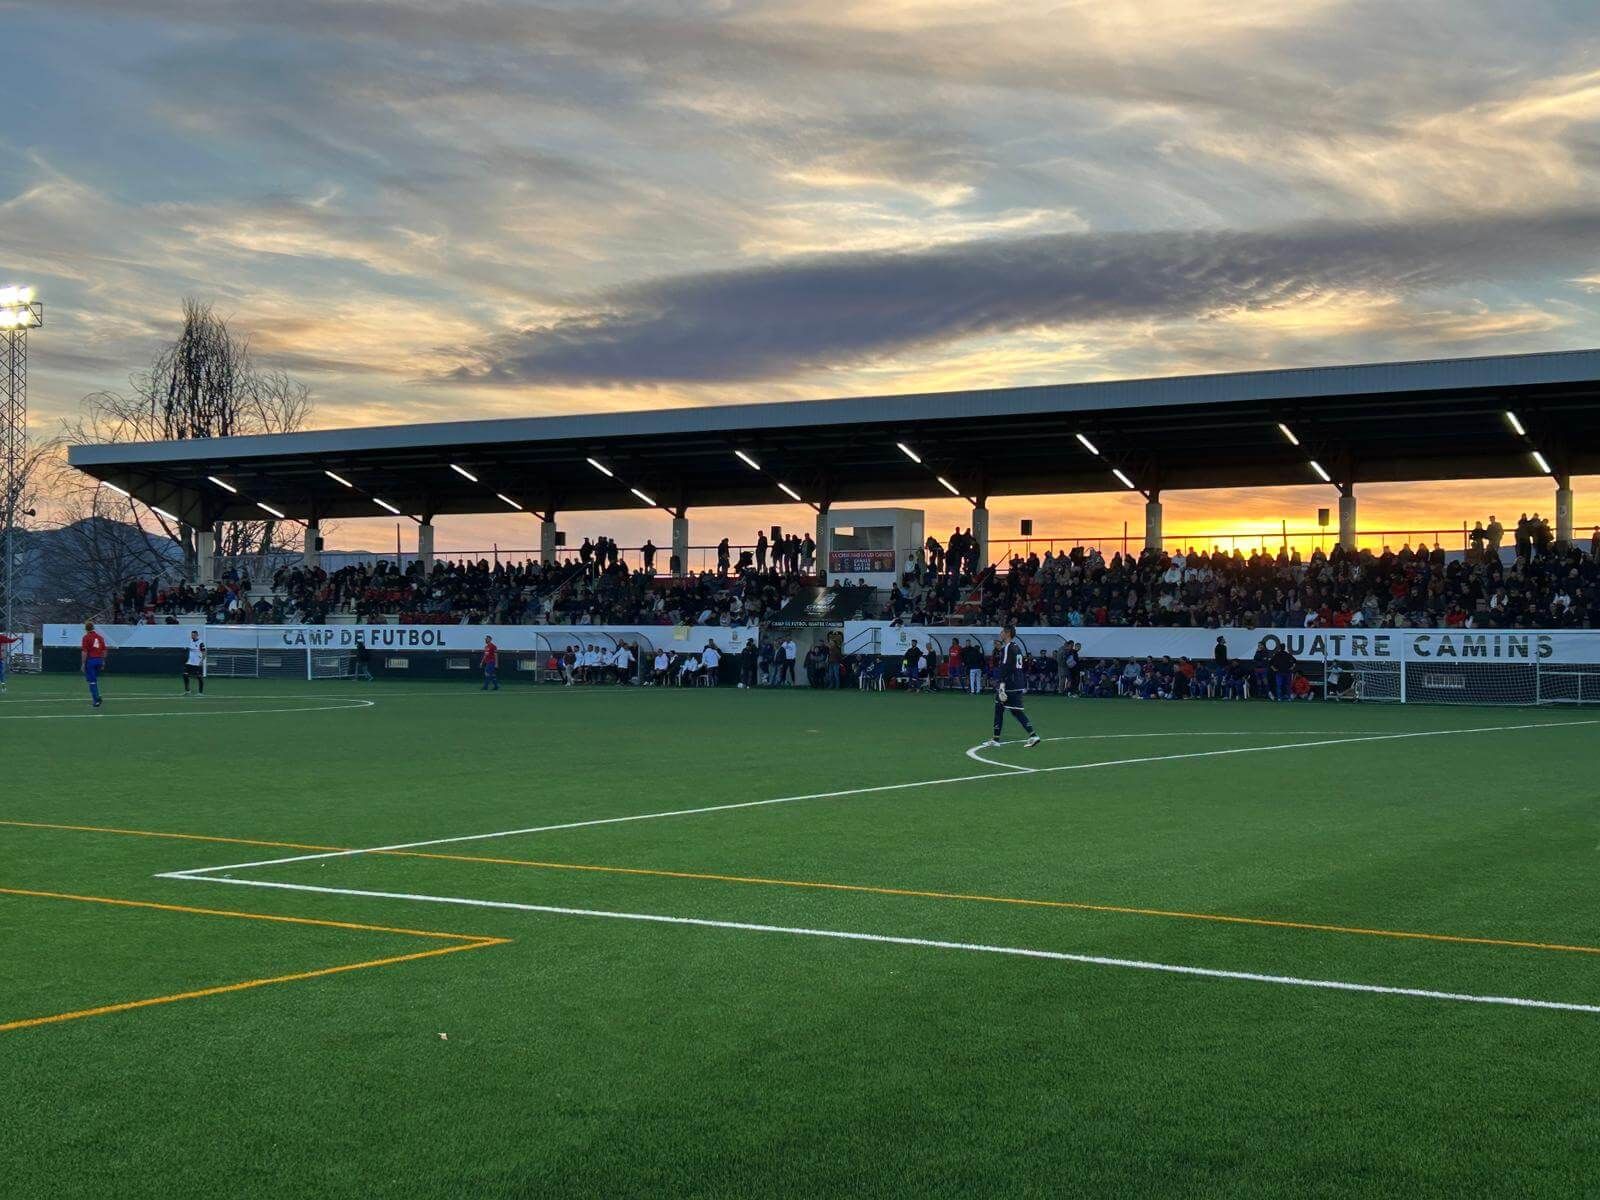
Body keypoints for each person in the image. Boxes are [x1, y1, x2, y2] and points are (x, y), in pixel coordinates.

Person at [980, 625, 1040, 748]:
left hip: (1009, 685)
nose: (1000, 634)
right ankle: (1032, 735)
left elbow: (1005, 667)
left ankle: (996, 739)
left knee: (1000, 709)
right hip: (1017, 683)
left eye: (1002, 631)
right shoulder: (1016, 647)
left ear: (1007, 633)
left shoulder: (1007, 648)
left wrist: (1001, 685)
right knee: (1014, 711)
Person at [81, 621, 108, 708]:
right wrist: (103, 661)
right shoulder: (100, 637)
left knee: (91, 681)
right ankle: (96, 699)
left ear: (86, 629)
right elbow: (104, 650)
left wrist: (83, 663)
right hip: (99, 660)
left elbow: (84, 652)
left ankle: (96, 699)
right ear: (93, 628)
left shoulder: (86, 637)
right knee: (94, 680)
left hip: (91, 661)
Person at [181, 630, 206, 696]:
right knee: (184, 674)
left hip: (197, 663)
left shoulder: (201, 643)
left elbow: (204, 653)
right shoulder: (191, 641)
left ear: (197, 635)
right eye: (192, 635)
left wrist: (201, 661)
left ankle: (200, 693)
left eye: (194, 635)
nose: (192, 636)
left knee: (199, 677)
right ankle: (188, 691)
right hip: (190, 662)